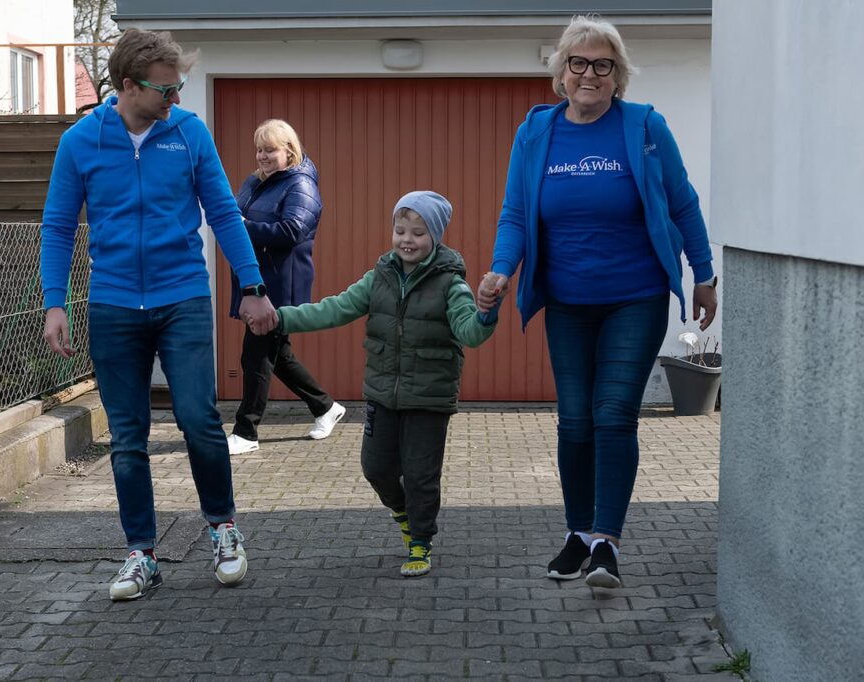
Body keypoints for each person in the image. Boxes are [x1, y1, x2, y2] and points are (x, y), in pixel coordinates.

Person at [476, 15, 718, 590]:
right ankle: (577, 535)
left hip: (633, 298)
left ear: (618, 75)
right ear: (561, 73)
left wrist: (703, 275)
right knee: (574, 421)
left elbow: (683, 204)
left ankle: (607, 542)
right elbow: (516, 212)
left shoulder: (644, 127)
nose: (590, 74)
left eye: (602, 65)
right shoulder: (536, 132)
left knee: (612, 416)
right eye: (578, 63)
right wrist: (500, 270)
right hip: (567, 301)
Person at [41, 28, 277, 601]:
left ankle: (223, 528)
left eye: (180, 89)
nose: (176, 100)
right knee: (128, 438)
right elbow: (57, 225)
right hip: (114, 305)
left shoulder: (189, 134)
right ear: (127, 85)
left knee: (198, 419)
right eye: (165, 91)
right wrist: (54, 301)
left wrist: (253, 285)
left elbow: (223, 212)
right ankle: (141, 554)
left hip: (182, 298)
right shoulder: (81, 141)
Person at [266, 191, 500, 577]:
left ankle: (421, 542)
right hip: (382, 394)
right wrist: (281, 318)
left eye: (418, 233)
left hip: (428, 399)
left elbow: (470, 333)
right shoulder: (379, 278)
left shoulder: (450, 284)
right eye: (400, 230)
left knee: (421, 474)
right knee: (376, 468)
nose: (407, 239)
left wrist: (486, 313)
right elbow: (334, 308)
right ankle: (403, 515)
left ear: (435, 237)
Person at [226, 119, 345, 455]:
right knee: (278, 356)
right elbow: (232, 213)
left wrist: (245, 227)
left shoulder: (301, 185)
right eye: (259, 149)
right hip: (256, 279)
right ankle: (325, 407)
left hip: (281, 284)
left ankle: (246, 432)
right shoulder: (257, 181)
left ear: (289, 151)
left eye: (270, 150)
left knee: (256, 355)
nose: (262, 156)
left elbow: (293, 230)